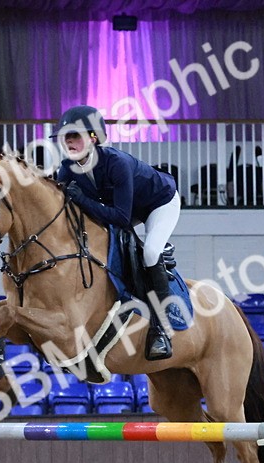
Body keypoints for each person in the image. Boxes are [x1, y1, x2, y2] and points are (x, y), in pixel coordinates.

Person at [53, 105, 181, 360]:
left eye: (75, 136)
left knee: (151, 252)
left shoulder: (117, 163)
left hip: (158, 203)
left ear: (93, 138)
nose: (69, 142)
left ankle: (160, 328)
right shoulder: (67, 169)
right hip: (123, 208)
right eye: (66, 137)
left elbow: (121, 218)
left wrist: (85, 201)